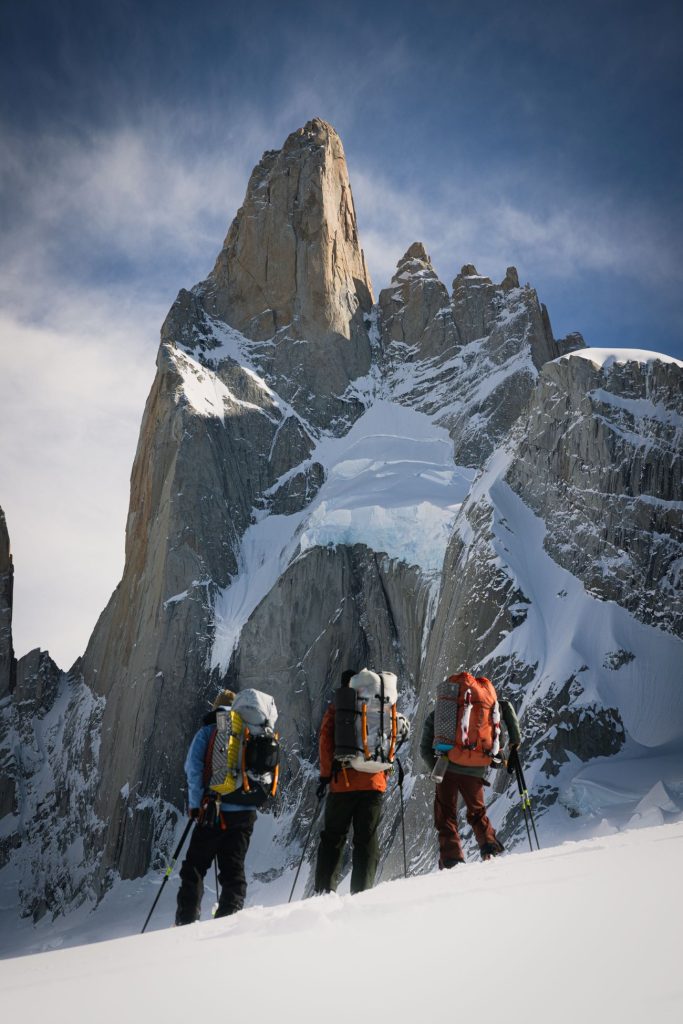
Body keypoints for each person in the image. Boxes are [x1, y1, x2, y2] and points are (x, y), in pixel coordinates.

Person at [420, 673, 521, 867]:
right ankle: (489, 848)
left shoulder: (444, 712)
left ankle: (452, 860)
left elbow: (424, 747)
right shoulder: (485, 706)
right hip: (476, 768)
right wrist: (515, 741)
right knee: (477, 812)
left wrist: (438, 769)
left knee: (446, 814)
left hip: (448, 767)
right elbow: (506, 707)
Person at [175, 689, 257, 924]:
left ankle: (186, 920)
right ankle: (227, 922)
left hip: (213, 812)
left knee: (194, 869)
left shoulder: (208, 731)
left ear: (216, 709)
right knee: (233, 872)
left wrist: (195, 805)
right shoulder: (248, 731)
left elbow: (193, 768)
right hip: (244, 814)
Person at [314, 669, 389, 894]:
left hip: (343, 783)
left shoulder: (339, 706)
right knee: (366, 839)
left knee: (333, 838)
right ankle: (363, 891)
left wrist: (325, 775)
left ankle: (324, 892)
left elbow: (325, 738)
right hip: (374, 782)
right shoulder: (378, 705)